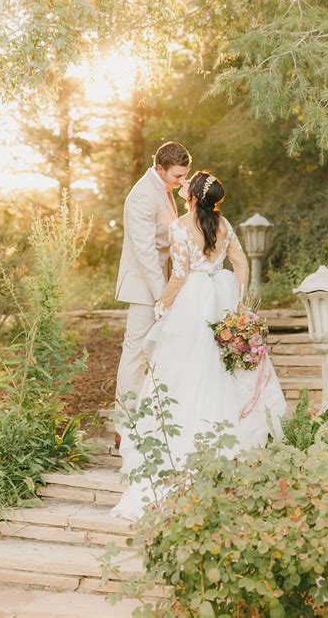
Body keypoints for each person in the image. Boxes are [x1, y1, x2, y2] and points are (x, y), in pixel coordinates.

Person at [111, 171, 286, 521]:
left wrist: (163, 304)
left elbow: (179, 274)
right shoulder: (225, 225)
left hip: (193, 298)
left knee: (185, 368)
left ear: (191, 194)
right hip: (221, 296)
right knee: (225, 366)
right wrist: (236, 299)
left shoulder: (180, 226)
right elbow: (240, 263)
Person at [114, 141, 191, 447]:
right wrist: (164, 295)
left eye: (184, 176)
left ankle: (153, 419)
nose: (181, 181)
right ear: (160, 169)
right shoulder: (142, 197)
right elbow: (145, 253)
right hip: (145, 286)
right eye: (177, 176)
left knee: (157, 352)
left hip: (164, 281)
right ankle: (124, 424)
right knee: (135, 352)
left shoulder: (164, 189)